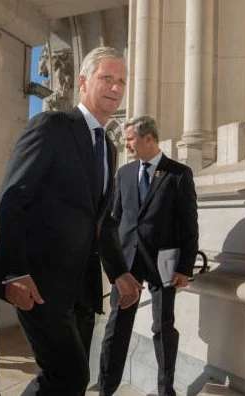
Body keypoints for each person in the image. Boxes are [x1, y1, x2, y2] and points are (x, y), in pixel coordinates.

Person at [0, 46, 142, 395]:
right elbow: (13, 198)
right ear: (83, 82)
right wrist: (15, 271)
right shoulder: (51, 126)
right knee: (68, 377)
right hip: (38, 283)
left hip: (82, 290)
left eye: (121, 81)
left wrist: (119, 271)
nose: (115, 87)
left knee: (69, 383)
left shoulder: (110, 147)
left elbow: (100, 220)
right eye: (107, 78)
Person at [97, 115, 199, 396]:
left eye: (130, 139)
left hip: (163, 265)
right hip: (126, 263)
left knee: (163, 327)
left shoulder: (178, 174)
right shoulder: (125, 174)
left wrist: (184, 268)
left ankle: (166, 390)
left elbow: (189, 225)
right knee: (116, 327)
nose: (126, 144)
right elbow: (114, 220)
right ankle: (106, 388)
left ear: (149, 138)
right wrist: (114, 266)